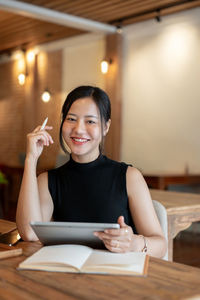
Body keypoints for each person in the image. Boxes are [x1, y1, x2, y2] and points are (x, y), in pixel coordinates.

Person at [16, 85, 167, 257]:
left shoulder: (129, 177)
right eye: (71, 119)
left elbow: (160, 246)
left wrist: (134, 243)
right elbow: (29, 233)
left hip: (117, 277)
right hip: (66, 276)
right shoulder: (48, 181)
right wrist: (31, 159)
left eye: (90, 121)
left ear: (105, 127)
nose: (78, 129)